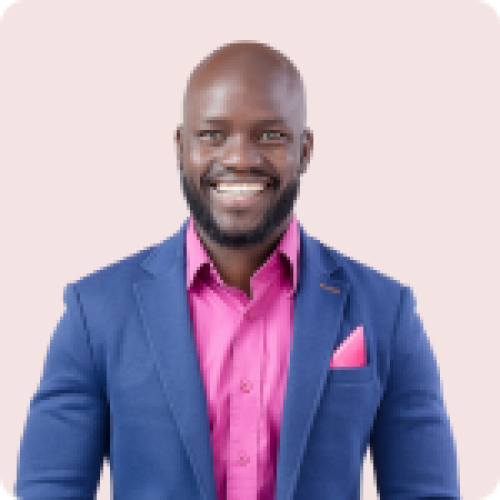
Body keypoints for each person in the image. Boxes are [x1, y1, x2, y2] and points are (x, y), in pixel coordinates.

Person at [15, 41, 461, 499]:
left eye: (270, 136)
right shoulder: (96, 313)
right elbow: (48, 491)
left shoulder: (386, 311)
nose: (240, 159)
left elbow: (427, 492)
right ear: (180, 147)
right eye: (212, 134)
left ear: (305, 150)